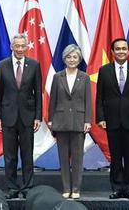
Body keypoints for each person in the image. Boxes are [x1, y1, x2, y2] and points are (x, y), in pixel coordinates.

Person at [96, 38, 129, 200]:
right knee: (116, 157)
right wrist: (100, 118)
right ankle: (117, 188)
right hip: (111, 120)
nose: (121, 51)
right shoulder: (104, 70)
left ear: (128, 51)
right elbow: (99, 98)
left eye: (124, 48)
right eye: (117, 49)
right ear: (112, 52)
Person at [0, 33, 42, 199]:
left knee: (27, 155)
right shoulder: (2, 65)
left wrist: (38, 117)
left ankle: (28, 187)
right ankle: (12, 188)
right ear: (11, 47)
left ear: (27, 46)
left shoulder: (34, 65)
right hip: (8, 117)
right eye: (17, 46)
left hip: (28, 117)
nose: (20, 49)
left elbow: (38, 94)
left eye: (23, 46)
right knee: (10, 156)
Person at [48, 44, 92, 200]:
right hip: (60, 122)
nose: (72, 59)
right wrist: (51, 119)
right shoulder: (57, 76)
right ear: (64, 59)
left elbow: (88, 100)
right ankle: (66, 188)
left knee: (78, 158)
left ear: (79, 59)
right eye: (69, 57)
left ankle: (76, 188)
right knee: (63, 157)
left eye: (75, 57)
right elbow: (52, 99)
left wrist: (87, 120)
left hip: (79, 122)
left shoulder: (85, 77)